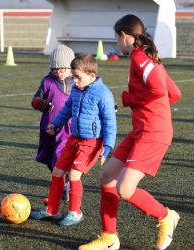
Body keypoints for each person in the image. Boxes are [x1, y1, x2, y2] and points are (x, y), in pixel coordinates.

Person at [79, 14, 182, 250]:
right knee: (107, 177)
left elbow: (158, 90)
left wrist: (130, 99)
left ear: (124, 36)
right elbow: (174, 93)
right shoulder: (149, 58)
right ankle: (109, 238)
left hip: (152, 133)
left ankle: (166, 216)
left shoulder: (140, 58)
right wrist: (152, 110)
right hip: (142, 130)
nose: (116, 44)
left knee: (125, 189)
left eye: (116, 39)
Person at [30, 54, 117, 227]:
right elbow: (67, 109)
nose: (75, 82)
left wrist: (107, 147)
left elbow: (109, 121)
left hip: (92, 142)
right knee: (57, 171)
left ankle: (75, 212)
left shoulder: (103, 93)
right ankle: (51, 210)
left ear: (91, 76)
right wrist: (55, 124)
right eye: (74, 77)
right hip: (74, 139)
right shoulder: (77, 90)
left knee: (75, 174)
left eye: (78, 77)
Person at [31, 45, 75, 204]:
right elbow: (35, 101)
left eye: (63, 68)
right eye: (56, 68)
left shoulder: (78, 82)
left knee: (62, 156)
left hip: (68, 128)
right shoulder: (47, 81)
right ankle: (62, 184)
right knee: (50, 159)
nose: (59, 72)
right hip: (48, 128)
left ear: (71, 67)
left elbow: (93, 97)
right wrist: (42, 104)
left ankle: (67, 185)